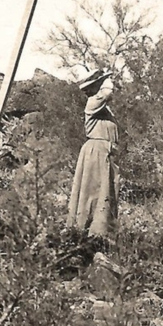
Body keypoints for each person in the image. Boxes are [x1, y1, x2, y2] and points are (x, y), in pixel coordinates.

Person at [67, 68, 120, 237]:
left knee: (106, 191)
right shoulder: (92, 102)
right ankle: (87, 231)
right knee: (93, 191)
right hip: (96, 151)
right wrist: (108, 80)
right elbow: (108, 92)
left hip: (104, 152)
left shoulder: (103, 109)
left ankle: (101, 232)